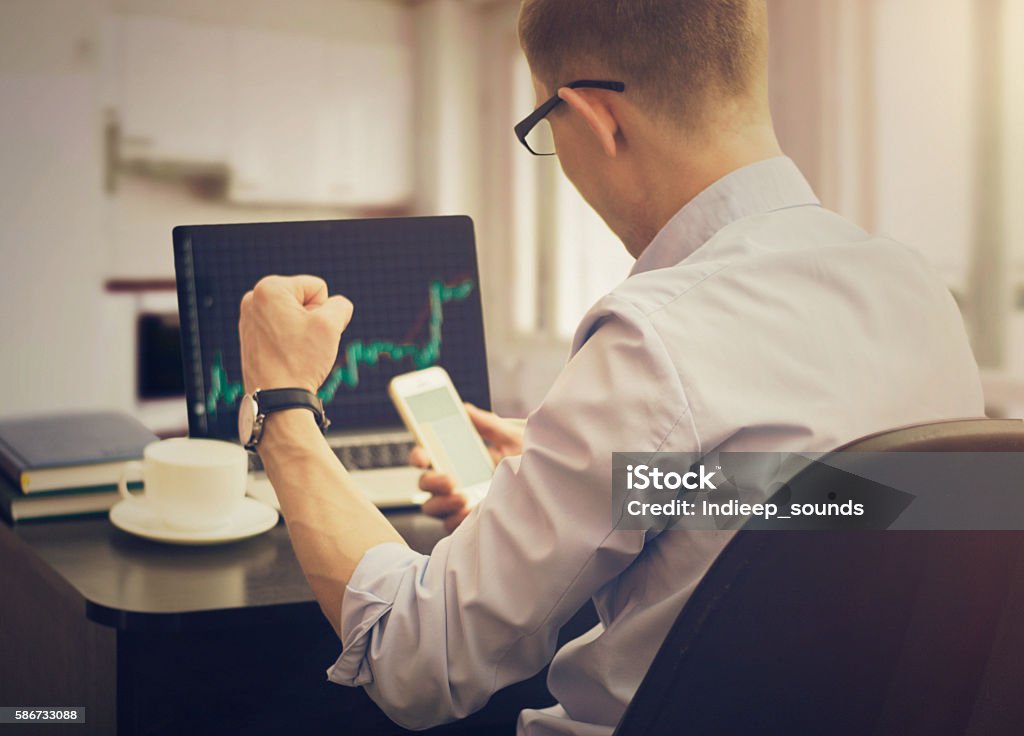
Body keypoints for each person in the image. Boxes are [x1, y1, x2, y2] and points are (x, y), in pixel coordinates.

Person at [237, 1, 984, 733]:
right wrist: (621, 479)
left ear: (596, 117)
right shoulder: (917, 290)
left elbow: (414, 661)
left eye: (543, 128)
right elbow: (849, 502)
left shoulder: (658, 333)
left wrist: (283, 404)